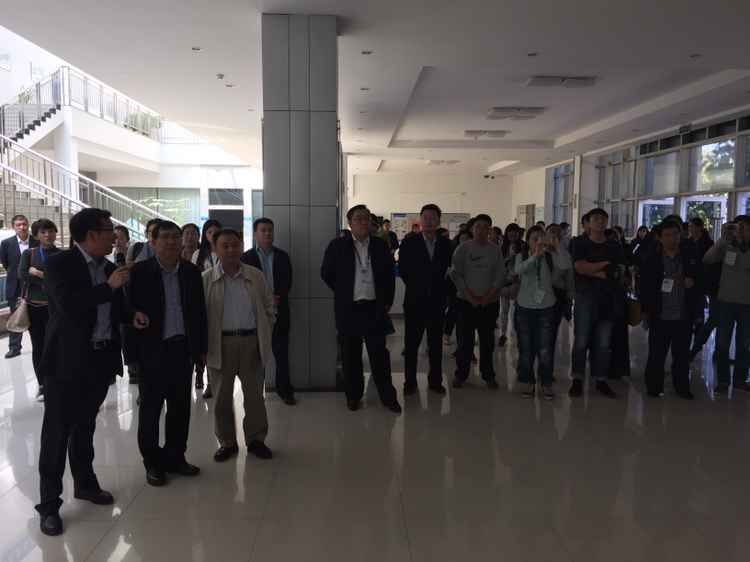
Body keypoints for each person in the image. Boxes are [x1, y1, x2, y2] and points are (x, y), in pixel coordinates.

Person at [35, 208, 130, 537]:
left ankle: (85, 484)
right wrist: (108, 287)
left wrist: (132, 314)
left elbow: (114, 310)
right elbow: (69, 307)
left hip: (99, 360)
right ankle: (49, 505)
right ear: (91, 235)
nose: (113, 237)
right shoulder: (59, 264)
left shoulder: (109, 267)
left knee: (85, 427)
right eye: (108, 231)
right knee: (57, 434)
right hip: (65, 364)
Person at [128, 220, 207, 487]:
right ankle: (152, 462)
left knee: (180, 408)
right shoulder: (139, 272)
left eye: (176, 236)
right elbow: (127, 313)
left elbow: (199, 313)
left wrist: (200, 349)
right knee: (150, 410)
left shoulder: (191, 272)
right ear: (152, 242)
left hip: (181, 350)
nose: (172, 242)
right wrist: (132, 357)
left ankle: (175, 457)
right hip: (152, 351)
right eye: (165, 237)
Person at [321, 204, 401, 413]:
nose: (364, 222)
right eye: (358, 218)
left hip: (374, 308)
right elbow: (326, 273)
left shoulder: (380, 245)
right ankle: (353, 396)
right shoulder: (338, 246)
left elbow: (389, 275)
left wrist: (387, 301)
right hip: (349, 309)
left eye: (367, 218)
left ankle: (387, 396)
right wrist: (344, 292)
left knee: (379, 355)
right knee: (350, 356)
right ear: (350, 223)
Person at [205, 229, 276, 461]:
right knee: (221, 398)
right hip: (220, 344)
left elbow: (269, 307)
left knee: (254, 396)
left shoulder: (255, 275)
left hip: (251, 342)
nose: (231, 250)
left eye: (235, 245)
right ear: (215, 249)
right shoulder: (206, 279)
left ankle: (256, 440)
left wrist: (265, 331)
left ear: (241, 246)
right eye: (225, 246)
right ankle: (227, 442)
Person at [640, 220, 702, 400]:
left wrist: (692, 283)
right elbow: (645, 287)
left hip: (683, 314)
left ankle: (681, 386)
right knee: (656, 354)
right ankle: (654, 386)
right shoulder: (652, 259)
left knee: (681, 355)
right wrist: (645, 311)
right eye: (667, 235)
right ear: (660, 238)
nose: (671, 239)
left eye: (675, 234)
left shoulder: (689, 256)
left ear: (680, 235)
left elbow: (701, 282)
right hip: (660, 314)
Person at [398, 204, 452, 395]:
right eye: (426, 217)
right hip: (415, 301)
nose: (429, 221)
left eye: (433, 218)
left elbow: (449, 271)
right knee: (411, 345)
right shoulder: (409, 242)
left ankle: (435, 381)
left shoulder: (446, 244)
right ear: (420, 220)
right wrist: (420, 287)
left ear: (439, 221)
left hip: (437, 302)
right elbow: (403, 270)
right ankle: (410, 382)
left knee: (435, 345)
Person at [569, 208, 623, 399]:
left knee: (603, 342)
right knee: (581, 340)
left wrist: (594, 269)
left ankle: (600, 379)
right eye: (596, 219)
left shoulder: (613, 245)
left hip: (608, 298)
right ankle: (577, 378)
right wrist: (603, 267)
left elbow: (616, 271)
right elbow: (579, 267)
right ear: (589, 222)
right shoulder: (580, 242)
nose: (600, 222)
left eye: (603, 219)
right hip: (585, 297)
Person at [241, 218, 295, 405]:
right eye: (263, 230)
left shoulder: (282, 256)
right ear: (255, 233)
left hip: (280, 311)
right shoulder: (246, 258)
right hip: (255, 314)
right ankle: (256, 392)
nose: (267, 233)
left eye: (270, 230)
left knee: (282, 353)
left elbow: (288, 281)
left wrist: (277, 296)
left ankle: (285, 390)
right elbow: (244, 284)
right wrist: (263, 300)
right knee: (256, 355)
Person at [449, 214, 506, 390]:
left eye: (485, 227)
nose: (481, 230)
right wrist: (470, 297)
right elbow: (456, 275)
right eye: (478, 227)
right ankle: (461, 374)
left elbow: (500, 276)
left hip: (489, 303)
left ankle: (488, 375)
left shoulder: (495, 250)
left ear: (490, 230)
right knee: (464, 342)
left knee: (487, 342)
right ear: (472, 229)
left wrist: (487, 297)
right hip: (465, 303)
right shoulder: (463, 249)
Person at [514, 225, 572, 399]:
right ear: (528, 241)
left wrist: (557, 245)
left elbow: (565, 265)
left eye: (542, 238)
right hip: (524, 307)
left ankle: (546, 383)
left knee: (546, 349)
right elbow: (519, 270)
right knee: (526, 349)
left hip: (547, 307)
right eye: (534, 239)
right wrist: (535, 256)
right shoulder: (522, 256)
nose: (538, 242)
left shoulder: (551, 256)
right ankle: (528, 382)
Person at [703, 215, 750, 393]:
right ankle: (723, 381)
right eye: (738, 227)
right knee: (722, 343)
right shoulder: (725, 246)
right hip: (725, 302)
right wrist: (723, 240)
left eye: (745, 228)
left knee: (744, 345)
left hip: (747, 303)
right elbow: (707, 259)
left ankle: (740, 379)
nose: (741, 231)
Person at [18, 219, 61, 401]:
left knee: (57, 345)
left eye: (51, 231)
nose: (48, 235)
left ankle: (57, 381)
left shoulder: (62, 255)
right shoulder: (29, 253)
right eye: (43, 232)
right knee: (38, 346)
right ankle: (43, 384)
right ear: (36, 235)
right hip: (35, 307)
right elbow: (22, 274)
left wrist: (39, 273)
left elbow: (62, 279)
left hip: (56, 308)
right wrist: (46, 279)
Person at [192, 219, 222, 397]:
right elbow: (195, 276)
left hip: (221, 299)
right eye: (210, 232)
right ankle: (210, 382)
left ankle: (219, 381)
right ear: (205, 235)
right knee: (208, 344)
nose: (213, 235)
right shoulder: (198, 253)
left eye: (216, 231)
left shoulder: (224, 249)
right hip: (203, 299)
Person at [1, 214, 37, 358]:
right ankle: (14, 348)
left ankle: (40, 346)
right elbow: (5, 263)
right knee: (15, 317)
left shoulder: (37, 241)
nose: (22, 227)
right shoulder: (6, 243)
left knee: (37, 318)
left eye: (24, 224)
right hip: (15, 286)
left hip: (35, 285)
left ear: (28, 225)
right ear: (13, 227)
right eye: (18, 225)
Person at [498, 223, 524, 347]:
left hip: (518, 282)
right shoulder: (502, 247)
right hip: (505, 282)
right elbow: (498, 264)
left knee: (517, 310)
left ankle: (516, 333)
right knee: (504, 309)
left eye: (515, 232)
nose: (512, 234)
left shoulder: (523, 247)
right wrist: (509, 258)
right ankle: (503, 334)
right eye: (510, 231)